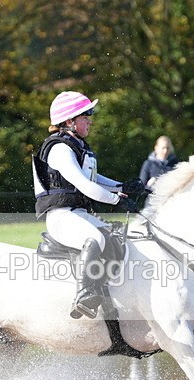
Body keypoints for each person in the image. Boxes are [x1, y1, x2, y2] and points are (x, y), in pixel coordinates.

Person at [32, 91, 142, 319]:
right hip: (61, 217)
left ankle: (115, 297)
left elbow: (96, 179)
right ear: (69, 121)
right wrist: (116, 200)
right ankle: (83, 294)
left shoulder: (77, 145)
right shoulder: (59, 149)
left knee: (117, 237)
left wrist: (123, 187)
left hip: (78, 214)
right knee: (96, 238)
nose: (90, 119)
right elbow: (84, 185)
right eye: (86, 115)